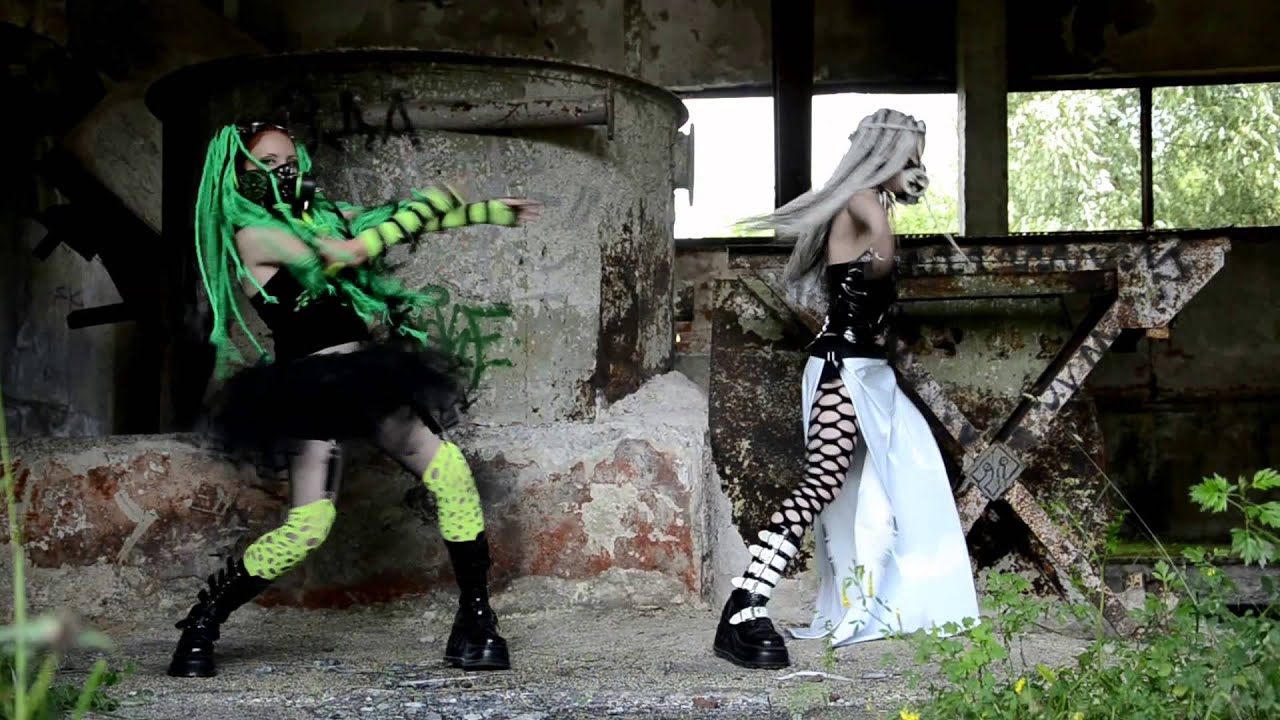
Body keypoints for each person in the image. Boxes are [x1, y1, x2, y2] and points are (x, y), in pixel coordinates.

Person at [166, 121, 540, 678]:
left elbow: (382, 220)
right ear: (239, 176)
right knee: (309, 527)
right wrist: (434, 199)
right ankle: (202, 621)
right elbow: (347, 252)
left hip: (365, 375)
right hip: (310, 385)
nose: (283, 172)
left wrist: (480, 211)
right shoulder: (254, 237)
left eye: (289, 161)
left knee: (451, 472)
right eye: (266, 164)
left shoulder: (319, 215)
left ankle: (476, 620)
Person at [712, 108, 978, 669]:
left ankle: (885, 598)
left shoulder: (867, 200)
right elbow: (880, 260)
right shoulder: (860, 200)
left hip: (867, 370)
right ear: (886, 156)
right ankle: (744, 606)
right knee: (823, 482)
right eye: (911, 158)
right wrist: (891, 208)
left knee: (898, 478)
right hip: (844, 368)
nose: (918, 169)